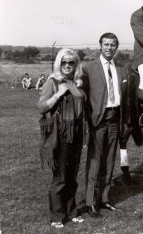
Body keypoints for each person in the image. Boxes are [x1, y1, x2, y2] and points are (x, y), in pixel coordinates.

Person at [37, 49, 87, 228]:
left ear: (76, 64)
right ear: (59, 63)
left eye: (71, 63)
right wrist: (58, 94)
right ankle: (57, 216)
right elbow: (42, 107)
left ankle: (71, 212)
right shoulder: (53, 81)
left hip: (77, 133)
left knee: (72, 176)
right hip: (61, 135)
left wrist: (84, 135)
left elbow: (82, 112)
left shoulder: (77, 82)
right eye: (64, 62)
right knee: (60, 177)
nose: (67, 66)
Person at [82, 32, 127, 218]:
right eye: (106, 44)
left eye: (113, 45)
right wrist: (87, 121)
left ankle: (104, 198)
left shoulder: (121, 68)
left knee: (109, 160)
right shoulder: (89, 68)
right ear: (100, 46)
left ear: (116, 47)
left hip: (115, 118)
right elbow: (83, 96)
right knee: (95, 161)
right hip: (98, 120)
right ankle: (90, 202)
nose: (109, 48)